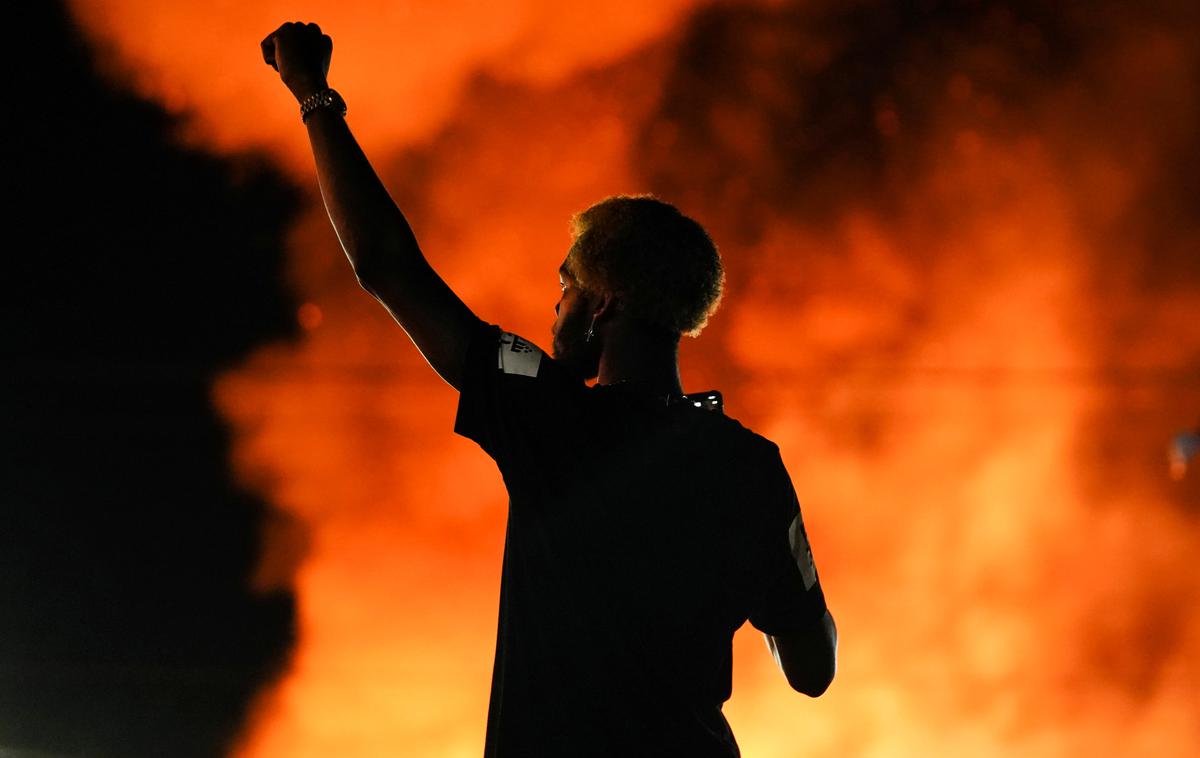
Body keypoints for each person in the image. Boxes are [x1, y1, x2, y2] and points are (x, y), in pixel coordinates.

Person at [261, 21, 837, 757]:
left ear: (603, 305)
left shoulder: (552, 414)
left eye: (565, 284)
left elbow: (385, 264)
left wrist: (313, 94)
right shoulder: (749, 466)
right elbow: (813, 668)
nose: (555, 304)